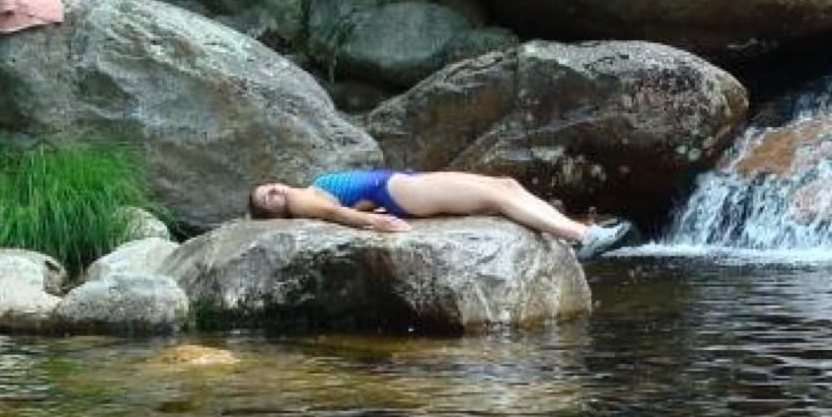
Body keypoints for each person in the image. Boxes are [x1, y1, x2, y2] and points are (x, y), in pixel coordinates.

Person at [248, 168, 633, 258]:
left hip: (395, 187)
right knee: (496, 197)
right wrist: (373, 221)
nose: (275, 192)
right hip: (400, 189)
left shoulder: (306, 189)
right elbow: (333, 214)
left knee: (506, 185)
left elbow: (346, 203)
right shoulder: (301, 201)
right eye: (269, 200)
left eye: (269, 188)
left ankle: (576, 230)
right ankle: (582, 238)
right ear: (275, 213)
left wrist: (370, 208)